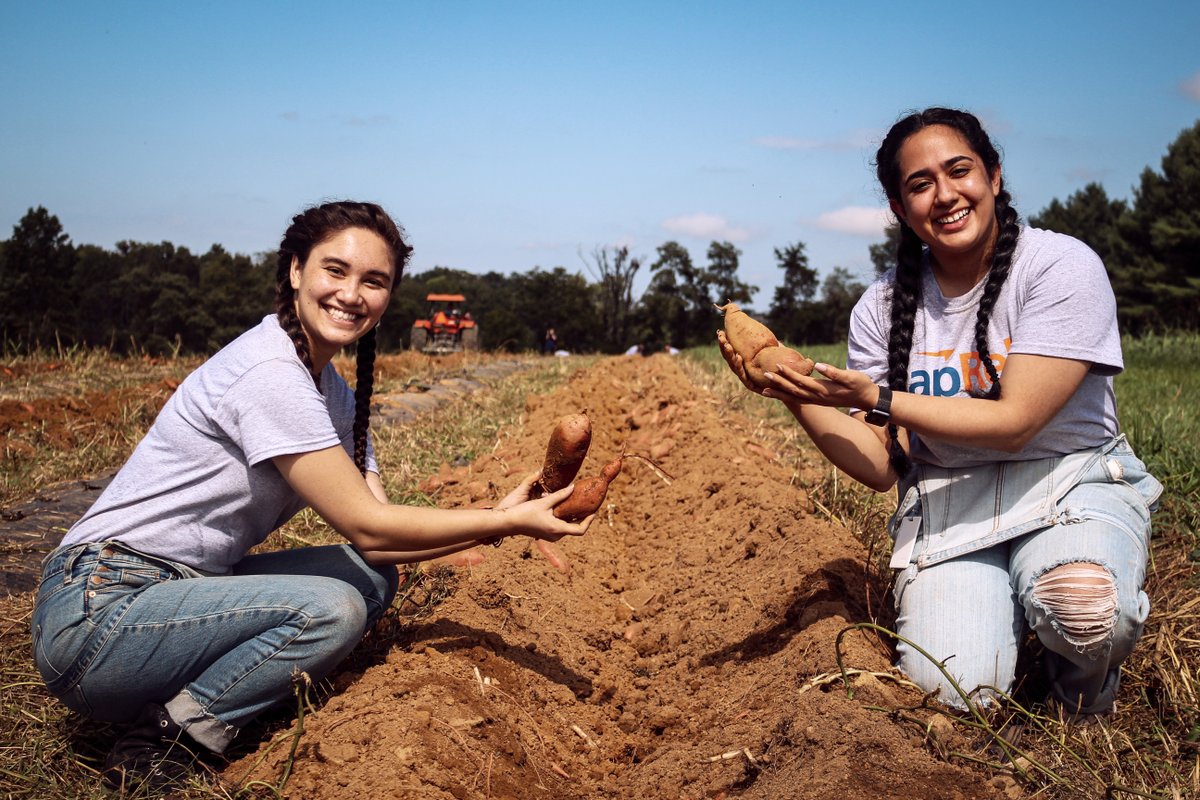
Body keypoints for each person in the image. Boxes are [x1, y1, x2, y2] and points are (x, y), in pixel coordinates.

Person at [30, 200, 593, 792]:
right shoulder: (271, 373)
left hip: (178, 591)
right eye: (335, 270)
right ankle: (167, 738)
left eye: (374, 281)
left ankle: (233, 689)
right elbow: (371, 527)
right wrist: (501, 524)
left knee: (370, 580)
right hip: (98, 618)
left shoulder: (331, 391)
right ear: (295, 270)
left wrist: (502, 514)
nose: (352, 293)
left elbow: (376, 539)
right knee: (331, 608)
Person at [718, 108, 1161, 718]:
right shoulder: (880, 308)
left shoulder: (1059, 266)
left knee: (1080, 607)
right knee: (952, 690)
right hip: (951, 507)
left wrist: (876, 397)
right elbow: (879, 464)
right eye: (920, 184)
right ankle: (1006, 633)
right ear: (900, 208)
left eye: (959, 171)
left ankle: (1078, 695)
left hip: (1069, 485)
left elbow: (1017, 422)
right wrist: (793, 392)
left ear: (995, 177)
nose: (945, 194)